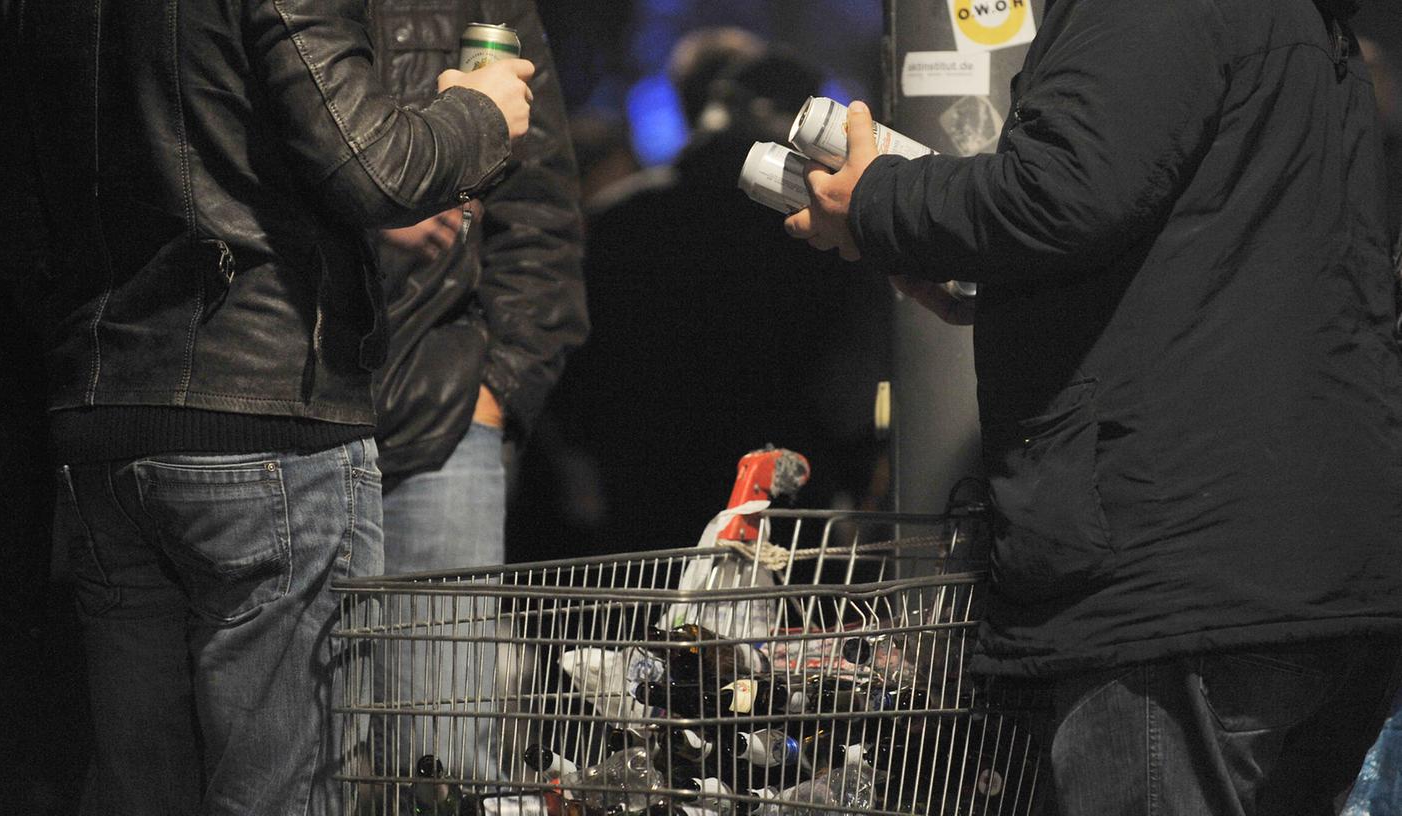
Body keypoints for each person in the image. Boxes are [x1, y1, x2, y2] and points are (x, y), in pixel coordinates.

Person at [786, 0, 1402, 813]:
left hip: (1179, 566)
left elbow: (1061, 192)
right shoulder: (1292, 20)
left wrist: (876, 202)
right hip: (1302, 556)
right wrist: (990, 279)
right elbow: (1207, 245)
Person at [0, 0, 534, 811]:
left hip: (104, 415)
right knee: (284, 795)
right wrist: (481, 109)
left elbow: (12, 214)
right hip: (267, 422)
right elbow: (376, 165)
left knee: (146, 793)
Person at [520, 34, 893, 558]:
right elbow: (851, 370)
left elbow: (571, 355)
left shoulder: (620, 219)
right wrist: (855, 463)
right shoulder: (823, 231)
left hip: (643, 481)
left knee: (641, 633)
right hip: (790, 486)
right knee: (787, 635)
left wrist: (581, 459)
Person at [365, 0, 585, 784]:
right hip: (283, 406)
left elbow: (539, 218)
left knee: (441, 766)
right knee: (294, 766)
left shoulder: (486, 7)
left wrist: (491, 399)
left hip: (440, 408)